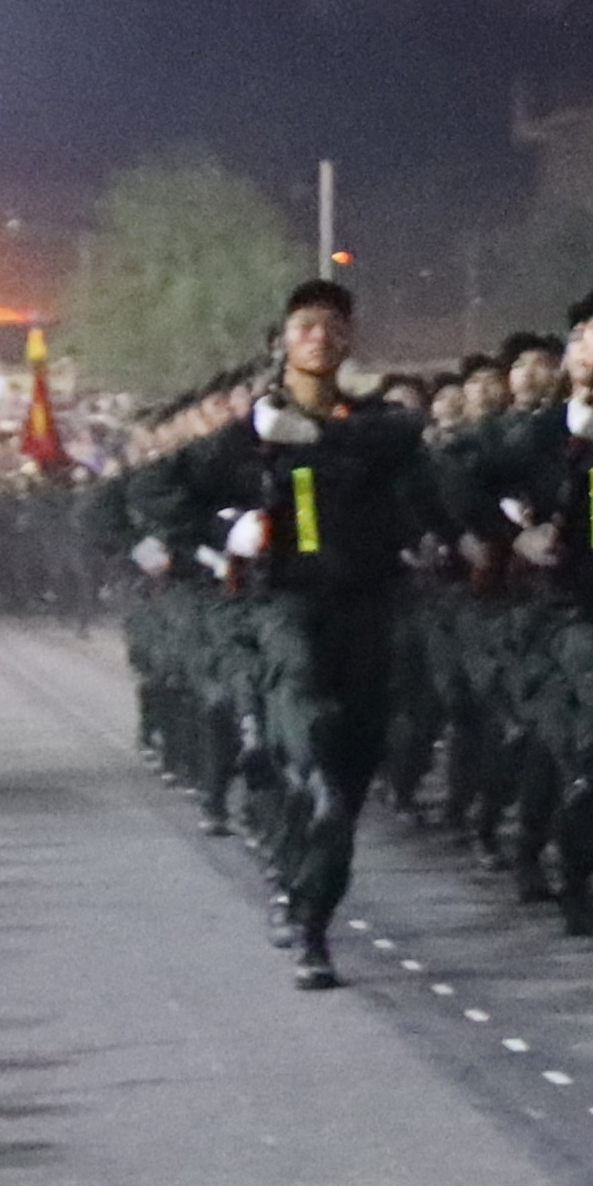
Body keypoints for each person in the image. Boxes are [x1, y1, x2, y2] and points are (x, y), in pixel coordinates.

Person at [124, 280, 444, 983]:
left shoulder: (380, 429)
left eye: (333, 325)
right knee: (310, 737)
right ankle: (302, 904)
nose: (320, 337)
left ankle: (309, 910)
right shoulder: (247, 439)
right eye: (305, 326)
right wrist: (218, 532)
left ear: (350, 340)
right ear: (281, 343)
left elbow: (416, 454)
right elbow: (148, 492)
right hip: (281, 609)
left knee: (348, 779)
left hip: (367, 610)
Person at [449, 287, 593, 970]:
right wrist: (504, 538)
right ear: (574, 347)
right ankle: (566, 855)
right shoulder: (541, 431)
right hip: (564, 611)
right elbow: (457, 473)